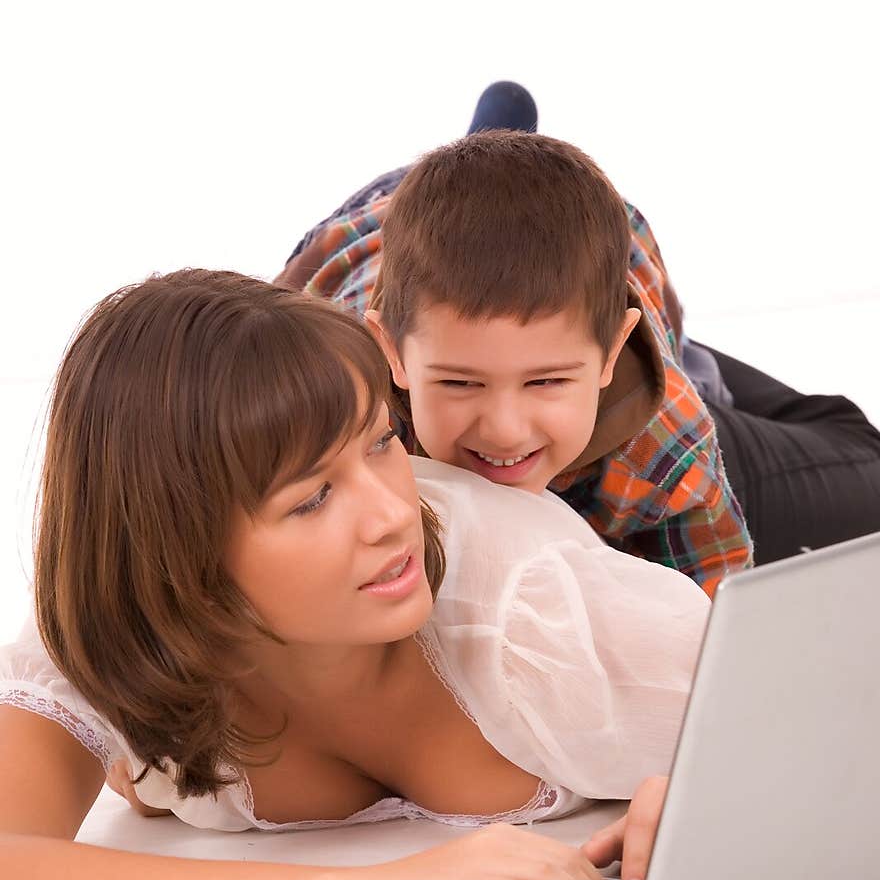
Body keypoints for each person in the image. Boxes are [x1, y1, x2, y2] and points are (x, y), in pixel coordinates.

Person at [0, 270, 709, 880]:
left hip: (670, 463)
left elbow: (812, 706)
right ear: (174, 555)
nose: (395, 515)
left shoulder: (541, 610)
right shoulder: (114, 634)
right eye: (312, 499)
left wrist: (718, 779)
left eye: (381, 442)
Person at [276, 83, 880, 577]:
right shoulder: (341, 412)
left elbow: (713, 617)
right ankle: (495, 137)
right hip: (368, 226)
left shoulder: (662, 444)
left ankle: (681, 359)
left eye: (545, 383)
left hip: (628, 296)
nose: (504, 430)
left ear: (611, 352)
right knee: (479, 172)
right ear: (393, 355)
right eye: (460, 384)